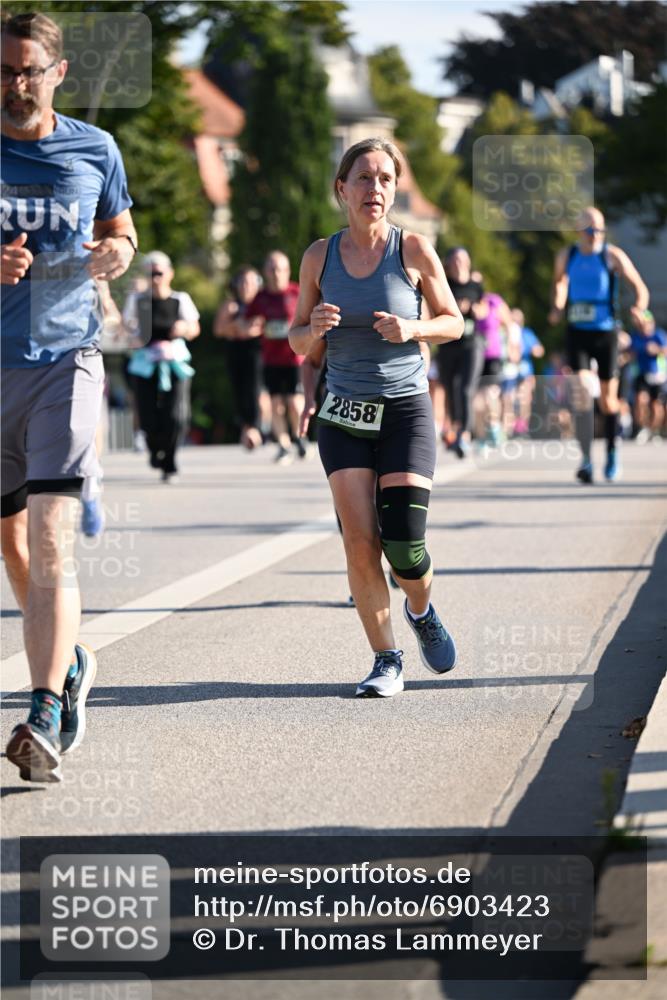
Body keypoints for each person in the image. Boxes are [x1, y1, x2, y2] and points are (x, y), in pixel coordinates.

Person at [1, 12, 136, 782]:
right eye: (3, 72)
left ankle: (44, 708)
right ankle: (72, 659)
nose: (14, 85)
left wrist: (118, 250)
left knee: (51, 536)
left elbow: (122, 230)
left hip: (65, 361)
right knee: (14, 548)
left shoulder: (95, 148)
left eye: (28, 70)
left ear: (59, 72)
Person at [289, 137, 463, 698]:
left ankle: (420, 608)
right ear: (342, 189)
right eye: (364, 178)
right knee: (360, 541)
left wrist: (413, 329)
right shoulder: (319, 256)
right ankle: (386, 659)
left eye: (386, 178)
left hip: (405, 409)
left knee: (405, 547)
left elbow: (454, 322)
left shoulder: (412, 248)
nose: (376, 189)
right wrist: (312, 327)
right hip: (342, 414)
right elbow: (295, 340)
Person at [548, 206, 649, 483]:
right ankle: (586, 460)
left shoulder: (612, 255)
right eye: (590, 230)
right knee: (581, 391)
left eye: (600, 230)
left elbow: (640, 288)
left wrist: (639, 309)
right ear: (579, 230)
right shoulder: (566, 255)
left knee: (608, 400)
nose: (595, 235)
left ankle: (612, 454)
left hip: (606, 333)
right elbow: (559, 283)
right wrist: (558, 304)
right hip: (577, 331)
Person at [124, 252, 200, 482]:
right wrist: (133, 336)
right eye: (150, 274)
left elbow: (195, 328)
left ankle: (171, 462)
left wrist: (183, 328)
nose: (155, 278)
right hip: (145, 362)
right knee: (147, 413)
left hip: (174, 361)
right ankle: (154, 446)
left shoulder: (181, 299)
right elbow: (127, 328)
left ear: (169, 274)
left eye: (159, 273)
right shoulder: (138, 300)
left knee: (176, 414)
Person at [246, 251, 305, 464]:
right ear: (265, 271)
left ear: (288, 270)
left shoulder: (297, 292)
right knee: (276, 404)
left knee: (294, 403)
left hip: (294, 358)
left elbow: (309, 318)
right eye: (271, 268)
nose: (276, 273)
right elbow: (248, 322)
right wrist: (253, 326)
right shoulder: (260, 298)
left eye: (280, 268)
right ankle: (283, 444)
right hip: (271, 358)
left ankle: (300, 437)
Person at [436, 248, 486, 458]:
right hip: (448, 344)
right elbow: (436, 307)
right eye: (454, 260)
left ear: (468, 262)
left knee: (466, 388)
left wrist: (474, 309)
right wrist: (456, 307)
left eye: (462, 260)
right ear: (448, 263)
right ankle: (455, 427)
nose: (458, 264)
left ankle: (464, 434)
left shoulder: (475, 285)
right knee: (449, 388)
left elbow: (484, 310)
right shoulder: (443, 284)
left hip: (471, 344)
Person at [213, 266, 263, 450]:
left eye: (250, 282)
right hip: (235, 352)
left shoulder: (262, 304)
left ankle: (256, 428)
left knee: (256, 390)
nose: (245, 286)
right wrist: (236, 326)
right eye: (242, 282)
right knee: (240, 391)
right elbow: (219, 330)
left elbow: (258, 328)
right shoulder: (230, 305)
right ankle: (246, 429)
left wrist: (242, 329)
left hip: (258, 352)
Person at [630, 310, 667, 443]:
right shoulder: (636, 336)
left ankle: (654, 430)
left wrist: (656, 349)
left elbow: (665, 351)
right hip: (641, 373)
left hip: (658, 375)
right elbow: (630, 352)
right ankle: (642, 428)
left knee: (656, 405)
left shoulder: (659, 335)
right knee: (640, 400)